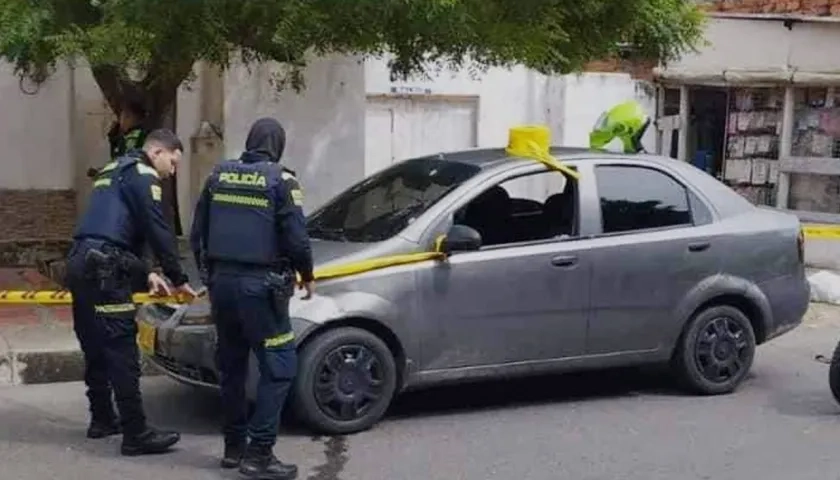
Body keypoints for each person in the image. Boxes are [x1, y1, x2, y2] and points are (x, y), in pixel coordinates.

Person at [190, 117, 314, 480]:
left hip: (222, 287)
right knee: (280, 366)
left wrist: (208, 278)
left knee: (231, 366)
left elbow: (198, 234)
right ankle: (260, 454)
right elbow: (297, 239)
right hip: (261, 289)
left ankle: (233, 448)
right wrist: (307, 275)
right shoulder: (282, 180)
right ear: (278, 145)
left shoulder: (217, 176)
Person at [65, 128, 198, 456]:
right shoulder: (145, 175)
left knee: (94, 344)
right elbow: (156, 228)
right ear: (157, 153)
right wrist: (177, 276)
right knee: (122, 349)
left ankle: (102, 419)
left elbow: (125, 228)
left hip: (81, 261)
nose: (173, 170)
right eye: (173, 161)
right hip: (107, 270)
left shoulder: (114, 168)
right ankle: (136, 433)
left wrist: (148, 272)